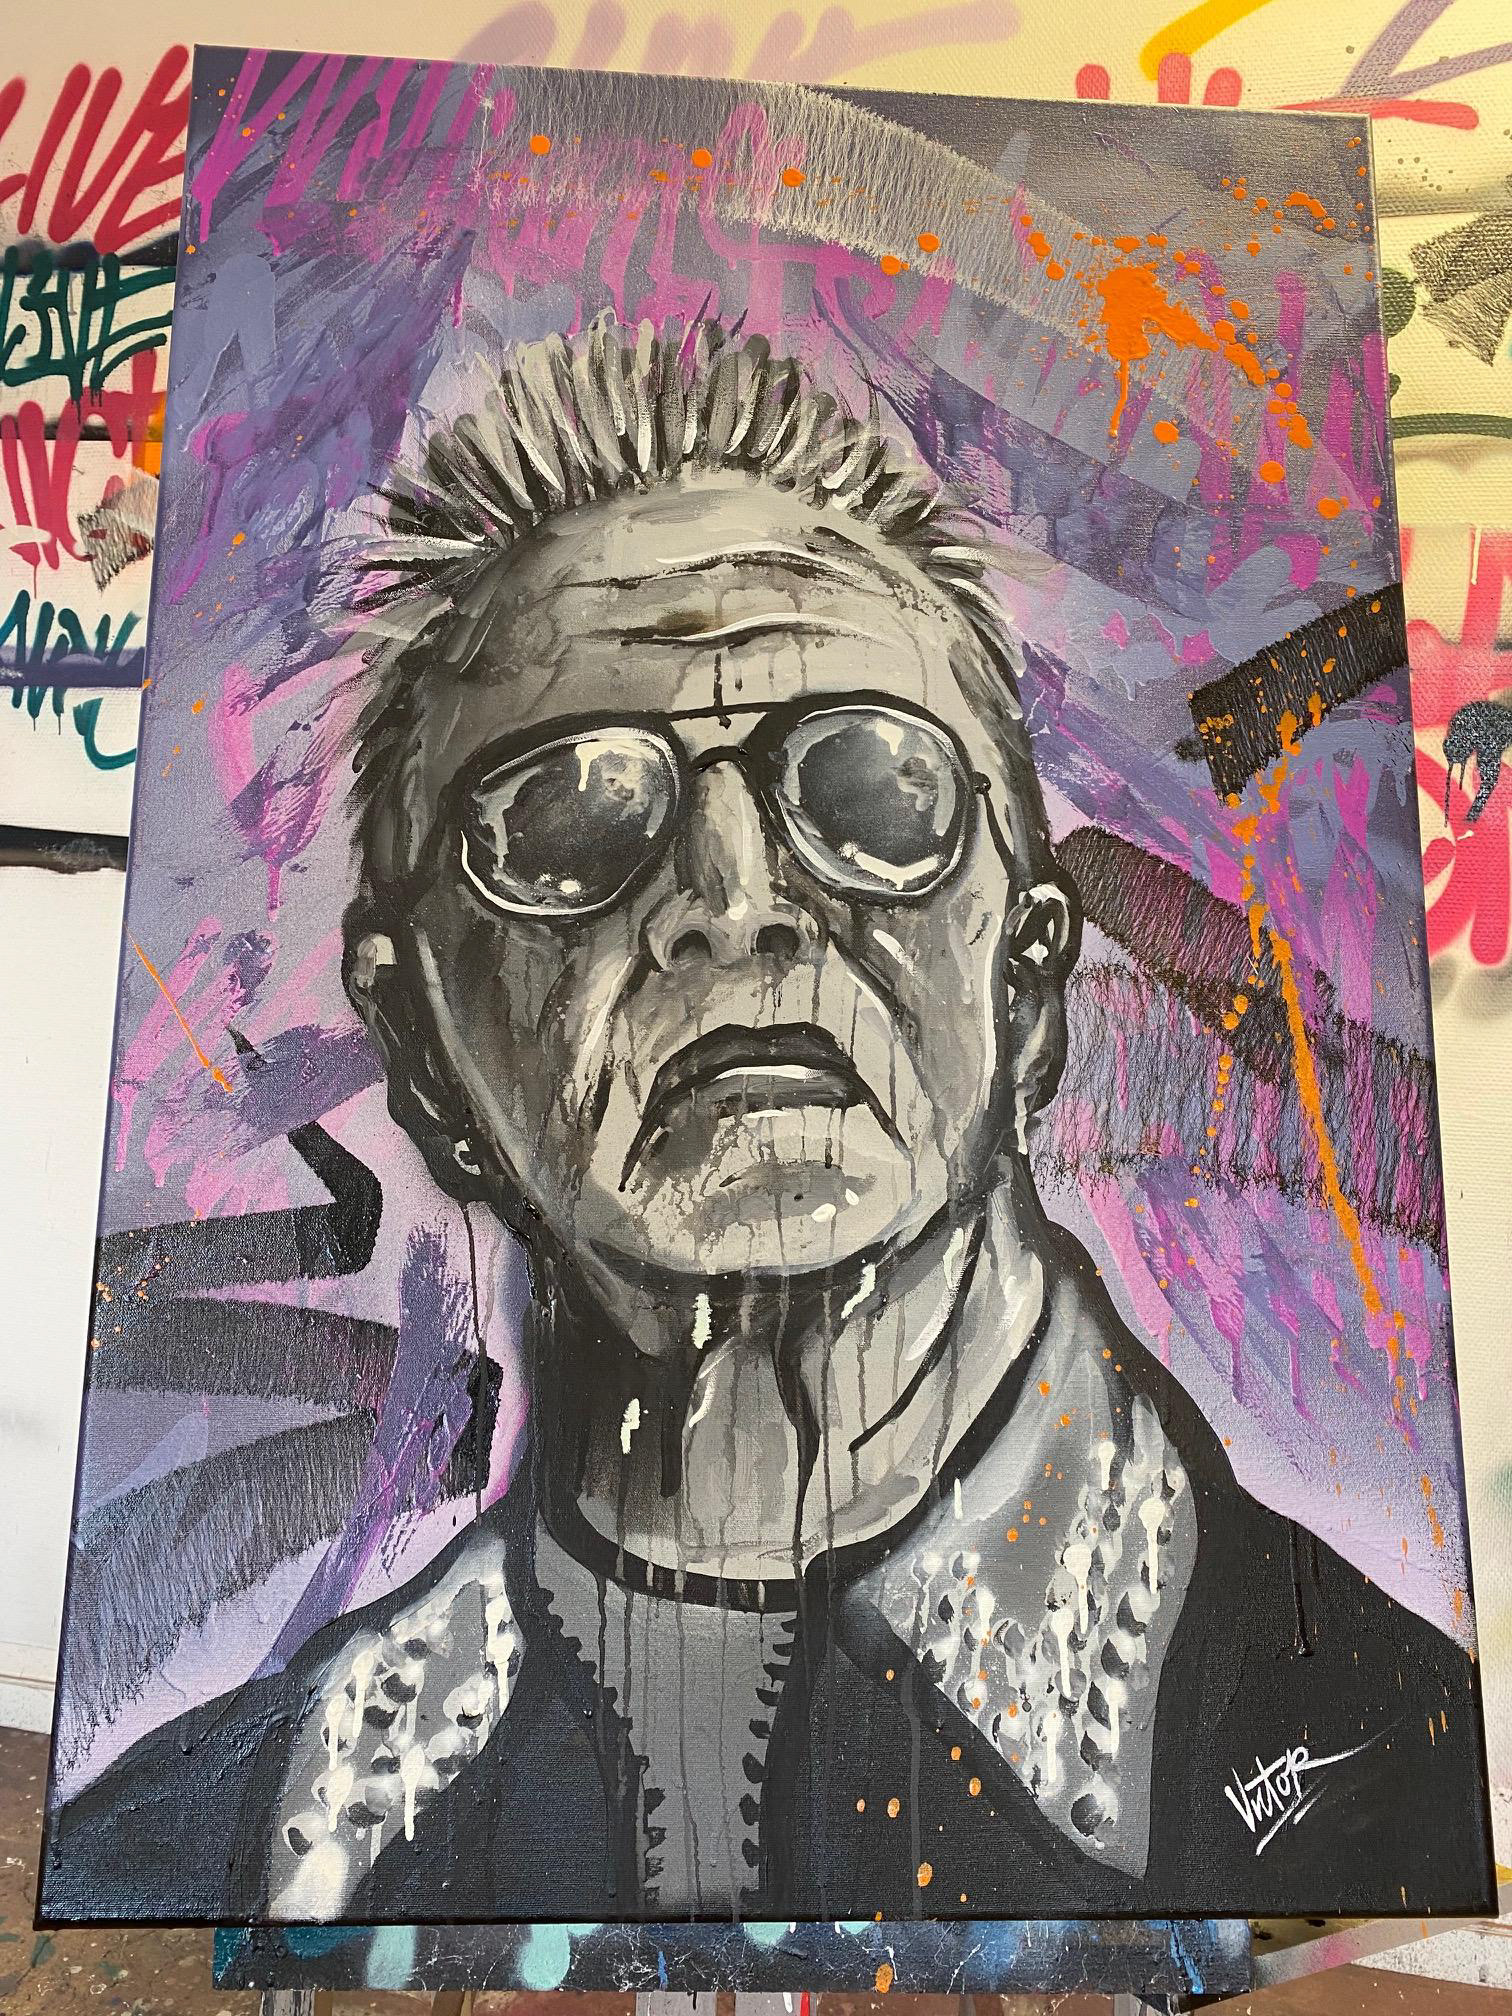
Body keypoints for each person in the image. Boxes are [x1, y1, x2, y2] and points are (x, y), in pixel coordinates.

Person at [43, 315, 1491, 1926]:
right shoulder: (209, 1845)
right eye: (569, 819)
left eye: (869, 791)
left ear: (1028, 987)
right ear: (423, 1047)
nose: (732, 901)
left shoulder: (1398, 1774)